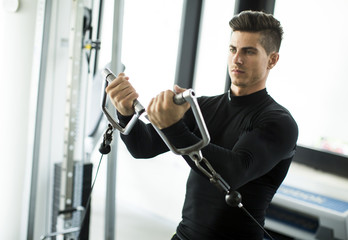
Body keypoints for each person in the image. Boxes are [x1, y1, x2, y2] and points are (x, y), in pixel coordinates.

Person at [106, 10, 298, 240]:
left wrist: (174, 127)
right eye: (233, 49)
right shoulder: (204, 107)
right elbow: (142, 147)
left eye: (249, 51)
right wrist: (125, 111)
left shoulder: (278, 122)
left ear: (272, 60)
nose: (237, 59)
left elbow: (231, 174)